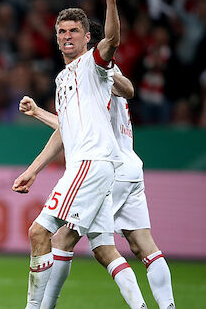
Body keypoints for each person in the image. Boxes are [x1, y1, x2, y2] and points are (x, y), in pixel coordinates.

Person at [17, 20, 176, 308]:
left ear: (90, 41)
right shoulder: (83, 77)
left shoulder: (96, 70)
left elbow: (127, 89)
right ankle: (165, 306)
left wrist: (109, 68)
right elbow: (70, 128)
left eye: (75, 33)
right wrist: (39, 112)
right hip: (129, 165)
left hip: (105, 165)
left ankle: (43, 306)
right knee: (137, 246)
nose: (68, 39)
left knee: (62, 239)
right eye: (63, 33)